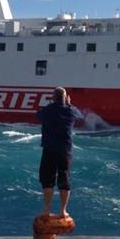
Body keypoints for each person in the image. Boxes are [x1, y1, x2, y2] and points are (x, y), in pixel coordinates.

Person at [36, 87, 82, 218]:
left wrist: (51, 105)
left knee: (47, 179)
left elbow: (38, 115)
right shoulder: (71, 110)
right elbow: (80, 115)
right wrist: (69, 104)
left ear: (53, 97)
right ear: (65, 97)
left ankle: (46, 210)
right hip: (65, 150)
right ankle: (63, 211)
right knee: (64, 178)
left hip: (49, 149)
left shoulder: (47, 110)